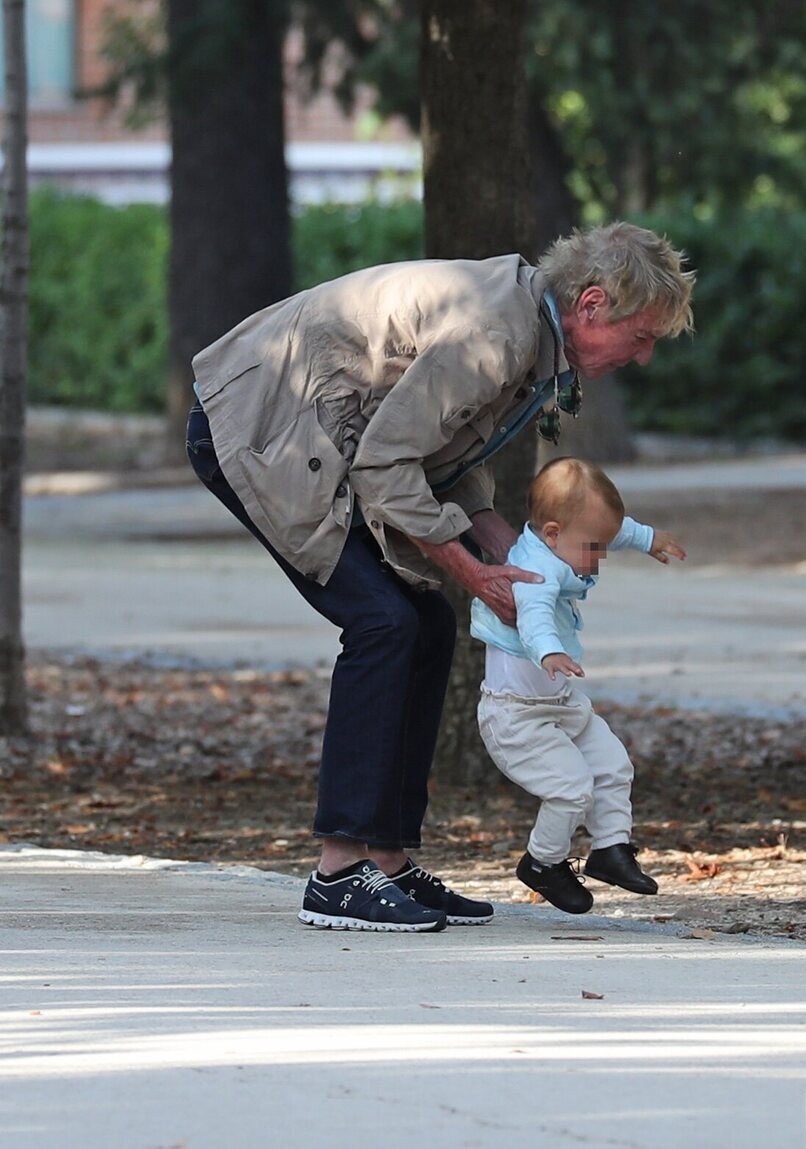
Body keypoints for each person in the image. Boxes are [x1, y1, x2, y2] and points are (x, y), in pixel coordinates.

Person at [185, 222, 695, 932]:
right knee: (383, 622)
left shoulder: (530, 332)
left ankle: (386, 861)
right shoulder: (498, 332)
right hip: (255, 425)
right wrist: (473, 571)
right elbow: (387, 466)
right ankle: (336, 872)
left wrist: (499, 555)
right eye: (640, 336)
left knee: (427, 622)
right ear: (591, 305)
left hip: (320, 432)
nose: (642, 356)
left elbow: (445, 455)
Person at [470, 458, 683, 913]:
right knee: (571, 789)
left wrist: (648, 539)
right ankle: (541, 864)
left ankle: (609, 849)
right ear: (551, 534)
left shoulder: (568, 536)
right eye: (593, 548)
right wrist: (548, 652)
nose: (600, 557)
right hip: (515, 716)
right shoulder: (535, 572)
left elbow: (612, 528)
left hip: (559, 704)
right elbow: (534, 615)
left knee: (613, 765)